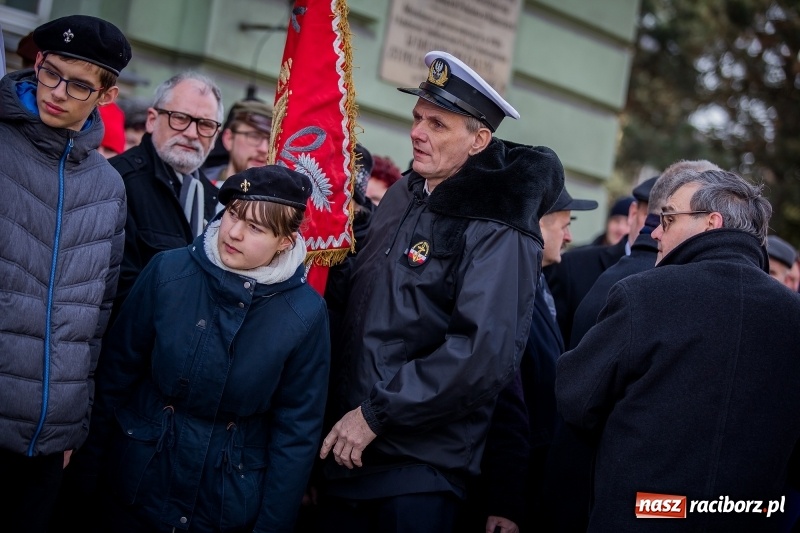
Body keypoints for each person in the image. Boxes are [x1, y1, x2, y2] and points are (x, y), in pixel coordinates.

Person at [317, 50, 564, 532]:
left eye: (437, 123)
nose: (417, 131)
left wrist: (374, 414)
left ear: (479, 140)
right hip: (346, 455)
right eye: (417, 118)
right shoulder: (402, 193)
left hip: (417, 472)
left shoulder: (497, 223)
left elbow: (482, 352)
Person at [73, 165, 330, 532]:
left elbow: (296, 434)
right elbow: (114, 379)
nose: (234, 233)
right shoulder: (168, 272)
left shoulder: (304, 314)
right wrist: (83, 481)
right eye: (233, 215)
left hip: (224, 505)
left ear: (285, 242)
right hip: (135, 485)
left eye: (255, 228)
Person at [557, 168, 800, 531]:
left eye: (668, 218)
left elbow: (577, 398)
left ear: (711, 222)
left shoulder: (644, 294)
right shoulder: (792, 314)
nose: (655, 231)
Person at [0, 14, 131, 533]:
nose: (56, 92)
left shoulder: (108, 186)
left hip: (48, 440)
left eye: (79, 84)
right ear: (36, 62)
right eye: (50, 72)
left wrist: (74, 422)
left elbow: (97, 316)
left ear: (107, 95)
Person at [461, 187, 596, 533]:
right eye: (562, 225)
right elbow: (504, 398)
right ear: (535, 226)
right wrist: (504, 500)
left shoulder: (537, 283)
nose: (569, 236)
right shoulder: (509, 289)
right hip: (497, 490)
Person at [109, 71, 223, 312]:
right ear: (152, 120)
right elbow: (115, 291)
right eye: (180, 118)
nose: (192, 133)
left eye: (205, 124)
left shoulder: (217, 199)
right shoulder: (117, 181)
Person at [544, 176, 655, 343]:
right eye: (652, 216)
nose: (658, 228)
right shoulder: (573, 266)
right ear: (633, 213)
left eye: (669, 220)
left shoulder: (675, 279)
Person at [202, 98, 272, 190]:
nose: (264, 149)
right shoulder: (201, 186)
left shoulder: (281, 199)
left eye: (271, 141)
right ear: (229, 139)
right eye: (254, 136)